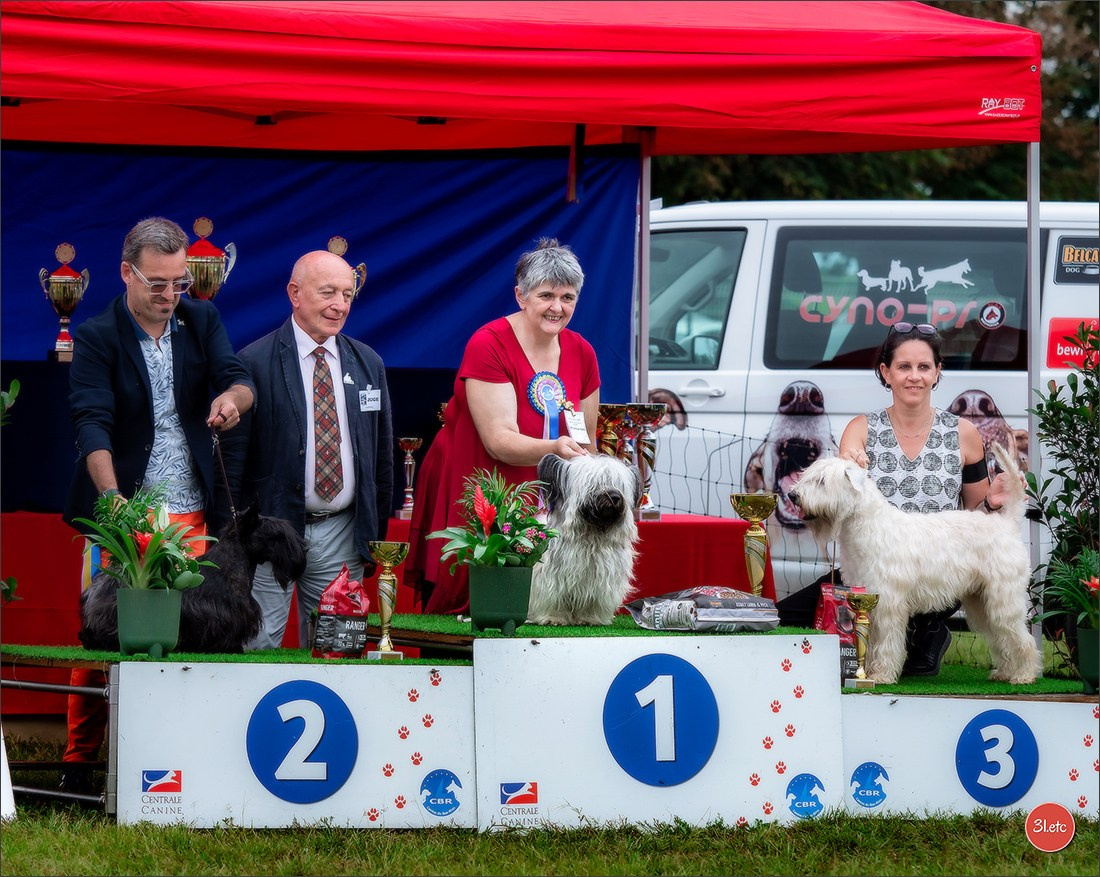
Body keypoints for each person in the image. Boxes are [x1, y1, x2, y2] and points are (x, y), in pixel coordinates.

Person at [61, 217, 255, 795]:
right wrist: (113, 502)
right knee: (102, 634)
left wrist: (231, 399)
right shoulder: (97, 336)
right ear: (127, 273)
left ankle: (177, 758)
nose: (172, 296)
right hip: (124, 514)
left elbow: (239, 377)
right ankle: (79, 761)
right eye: (158, 284)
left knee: (193, 631)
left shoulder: (203, 319)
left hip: (194, 511)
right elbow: (91, 421)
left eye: (180, 284)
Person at [406, 238, 600, 615]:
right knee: (474, 599)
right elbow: (498, 441)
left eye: (568, 297)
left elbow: (586, 442)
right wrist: (556, 448)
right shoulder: (488, 344)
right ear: (520, 296)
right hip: (479, 482)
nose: (557, 307)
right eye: (546, 295)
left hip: (545, 491)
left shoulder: (583, 352)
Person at [226, 249, 393, 650]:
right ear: (294, 293)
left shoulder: (368, 362)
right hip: (270, 531)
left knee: (336, 648)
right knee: (257, 643)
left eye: (347, 295)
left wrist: (375, 536)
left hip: (342, 530)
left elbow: (382, 459)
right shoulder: (253, 362)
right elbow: (233, 464)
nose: (339, 305)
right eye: (328, 293)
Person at [828, 320, 1016, 675]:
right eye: (903, 367)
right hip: (878, 566)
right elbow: (845, 474)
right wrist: (851, 461)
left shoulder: (964, 433)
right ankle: (909, 638)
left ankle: (930, 630)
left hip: (937, 564)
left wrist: (994, 501)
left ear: (937, 373)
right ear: (885, 373)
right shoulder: (861, 429)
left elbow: (977, 513)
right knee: (793, 610)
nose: (914, 376)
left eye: (923, 367)